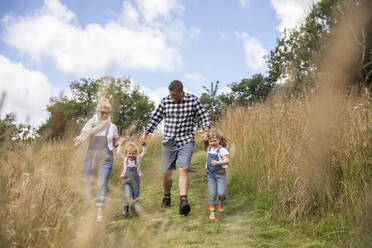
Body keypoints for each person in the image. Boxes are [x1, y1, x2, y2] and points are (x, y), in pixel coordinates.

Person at [140, 80, 210, 216]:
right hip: (168, 142)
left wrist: (206, 131)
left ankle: (183, 201)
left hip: (186, 141)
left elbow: (204, 117)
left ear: (181, 92)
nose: (172, 97)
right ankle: (166, 198)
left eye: (175, 95)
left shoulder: (193, 101)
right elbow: (155, 118)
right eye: (171, 95)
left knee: (183, 169)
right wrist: (144, 134)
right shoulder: (165, 101)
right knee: (167, 172)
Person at [74, 98, 119, 222]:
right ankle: (88, 209)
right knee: (89, 183)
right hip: (91, 157)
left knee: (102, 183)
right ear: (97, 111)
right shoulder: (90, 124)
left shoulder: (112, 127)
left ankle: (100, 214)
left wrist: (120, 142)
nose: (104, 115)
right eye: (102, 113)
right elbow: (83, 134)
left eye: (106, 113)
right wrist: (78, 141)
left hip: (106, 158)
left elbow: (115, 142)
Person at [117, 138, 147, 218]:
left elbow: (144, 153)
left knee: (135, 196)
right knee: (127, 195)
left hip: (136, 182)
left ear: (136, 153)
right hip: (127, 181)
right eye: (129, 153)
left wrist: (144, 145)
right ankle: (125, 211)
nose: (131, 155)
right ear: (126, 153)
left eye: (133, 153)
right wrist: (120, 144)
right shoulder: (124, 159)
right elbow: (118, 153)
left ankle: (133, 208)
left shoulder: (138, 159)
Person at [204, 128, 229, 220]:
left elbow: (227, 161)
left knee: (221, 193)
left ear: (219, 139)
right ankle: (212, 212)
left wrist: (218, 162)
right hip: (210, 175)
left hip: (220, 175)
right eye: (211, 141)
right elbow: (204, 141)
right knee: (212, 193)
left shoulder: (221, 150)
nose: (213, 143)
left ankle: (221, 201)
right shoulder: (209, 149)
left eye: (215, 140)